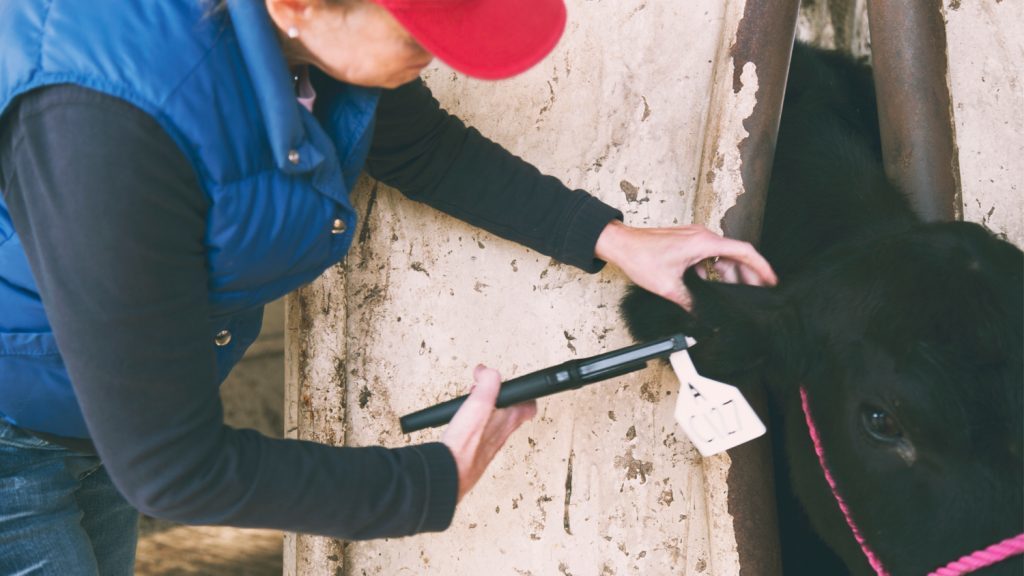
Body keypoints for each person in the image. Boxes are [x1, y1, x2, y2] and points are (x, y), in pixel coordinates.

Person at [0, 0, 777, 573]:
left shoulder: (307, 44)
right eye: (419, 36)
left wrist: (615, 240)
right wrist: (425, 485)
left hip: (86, 418)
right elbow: (174, 468)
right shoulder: (106, 116)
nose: (439, 57)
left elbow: (420, 147)